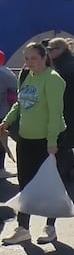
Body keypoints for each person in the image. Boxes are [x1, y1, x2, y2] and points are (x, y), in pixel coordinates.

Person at [0, 43, 66, 245]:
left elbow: (56, 113)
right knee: (25, 185)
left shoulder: (53, 80)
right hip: (25, 138)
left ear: (44, 57)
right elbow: (21, 102)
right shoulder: (27, 75)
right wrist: (7, 121)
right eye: (26, 59)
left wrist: (52, 141)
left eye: (34, 58)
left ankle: (50, 227)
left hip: (46, 140)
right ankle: (23, 228)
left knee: (49, 185)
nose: (29, 63)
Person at [46, 38, 74, 181]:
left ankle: (68, 169)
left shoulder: (66, 66)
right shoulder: (66, 63)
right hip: (70, 108)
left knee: (63, 141)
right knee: (63, 142)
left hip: (68, 108)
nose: (48, 52)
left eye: (51, 49)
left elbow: (66, 91)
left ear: (60, 49)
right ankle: (71, 165)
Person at [0, 50, 17, 179]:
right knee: (1, 141)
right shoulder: (4, 72)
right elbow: (16, 87)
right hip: (2, 110)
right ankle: (0, 169)